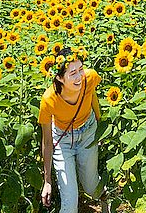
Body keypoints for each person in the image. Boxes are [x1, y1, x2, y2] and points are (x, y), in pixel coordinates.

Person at [39, 47, 108, 213]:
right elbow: (47, 142)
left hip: (88, 132)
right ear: (59, 78)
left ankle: (106, 201)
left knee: (92, 187)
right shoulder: (49, 100)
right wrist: (47, 181)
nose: (79, 77)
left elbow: (93, 98)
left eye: (80, 69)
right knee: (70, 204)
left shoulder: (90, 78)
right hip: (62, 141)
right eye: (72, 73)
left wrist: (100, 129)